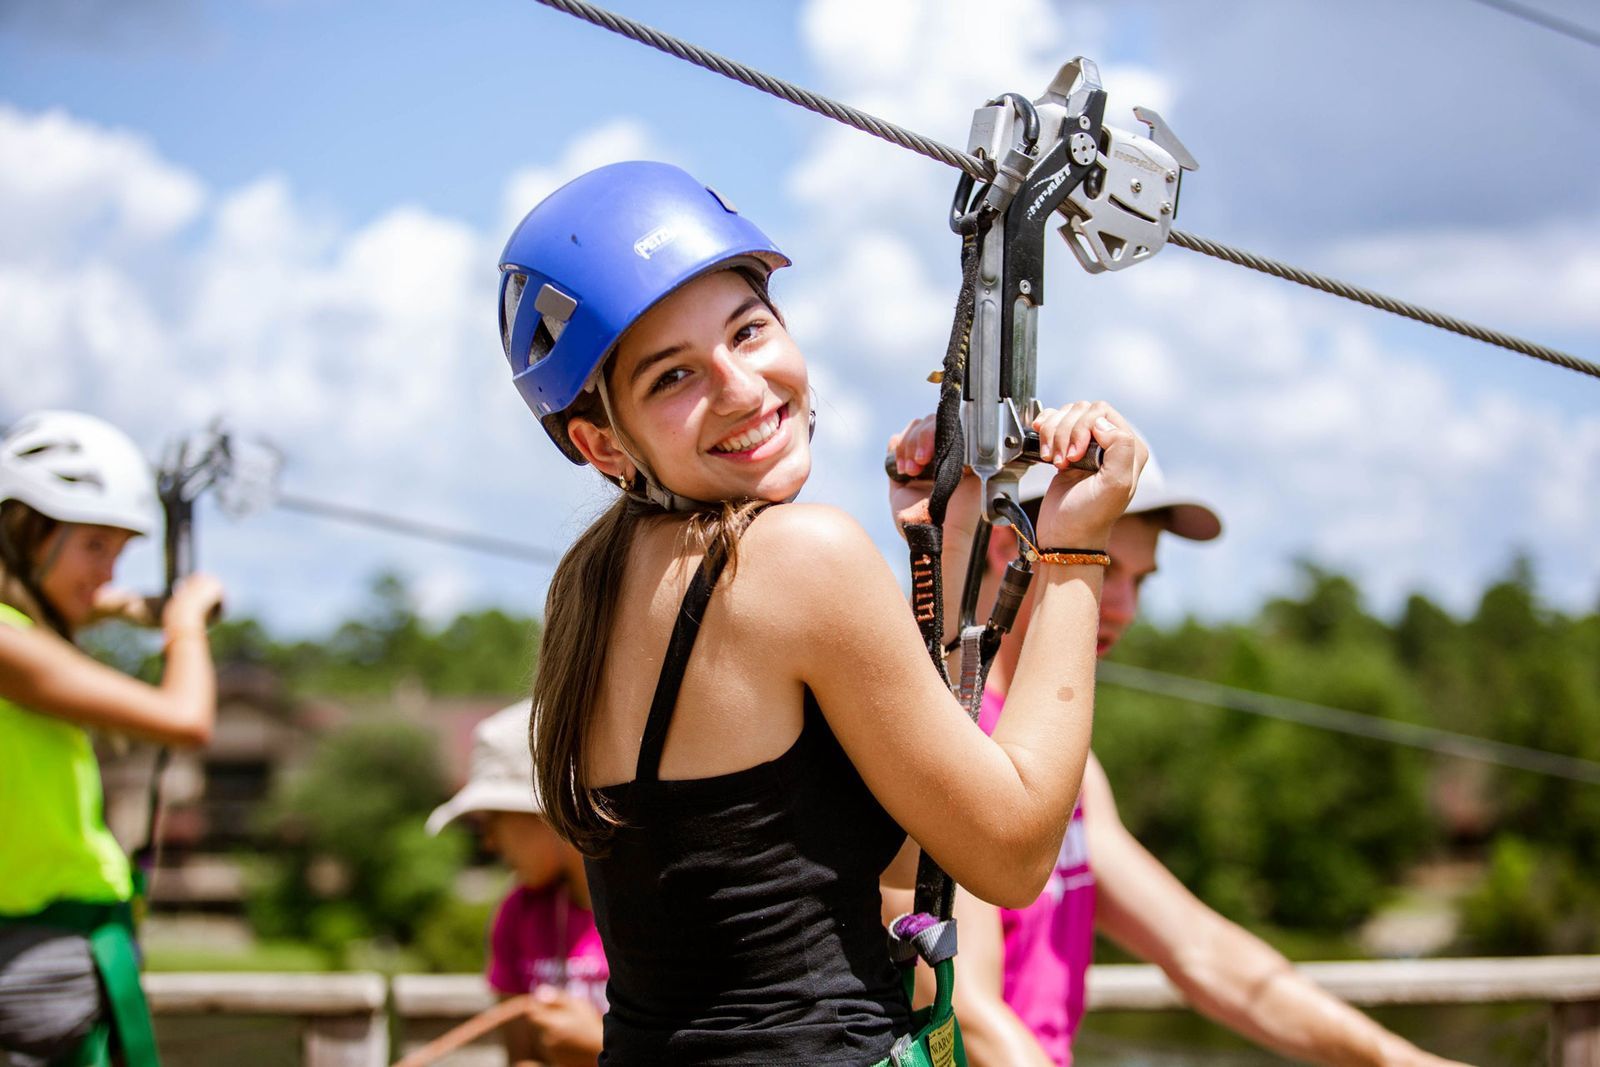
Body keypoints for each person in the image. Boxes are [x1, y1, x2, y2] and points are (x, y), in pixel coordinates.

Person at [496, 160, 1146, 1064]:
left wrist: (943, 548)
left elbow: (823, 846)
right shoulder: (800, 557)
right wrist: (1074, 548)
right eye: (673, 377)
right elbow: (1013, 851)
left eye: (748, 330)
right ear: (604, 442)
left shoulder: (594, 585)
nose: (740, 387)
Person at [884, 422, 1466, 1067]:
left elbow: (1200, 952)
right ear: (1008, 548)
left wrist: (1401, 1060)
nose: (1127, 606)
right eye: (1105, 563)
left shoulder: (1070, 770)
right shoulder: (955, 736)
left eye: (1143, 579)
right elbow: (967, 1014)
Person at [0, 410, 224, 1067]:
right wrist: (184, 624)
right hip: (42, 953)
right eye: (93, 545)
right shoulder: (11, 643)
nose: (107, 571)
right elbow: (187, 718)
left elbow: (66, 600)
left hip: (56, 946)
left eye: (119, 552)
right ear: (25, 530)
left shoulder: (24, 630)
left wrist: (118, 599)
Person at [426, 702, 606, 1067]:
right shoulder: (517, 915)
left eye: (494, 819)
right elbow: (521, 1058)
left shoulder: (655, 916)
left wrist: (602, 1050)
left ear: (549, 812)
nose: (489, 842)